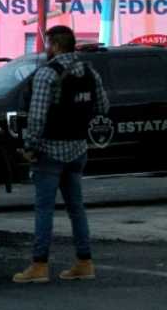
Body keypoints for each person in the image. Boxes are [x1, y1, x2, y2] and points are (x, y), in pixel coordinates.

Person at [13, 25, 109, 284]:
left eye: (48, 44)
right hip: (78, 149)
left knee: (44, 209)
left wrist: (30, 146)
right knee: (76, 208)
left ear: (55, 46)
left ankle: (39, 265)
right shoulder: (90, 72)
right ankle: (84, 261)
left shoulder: (47, 74)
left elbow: (37, 116)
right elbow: (103, 107)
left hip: (50, 151)